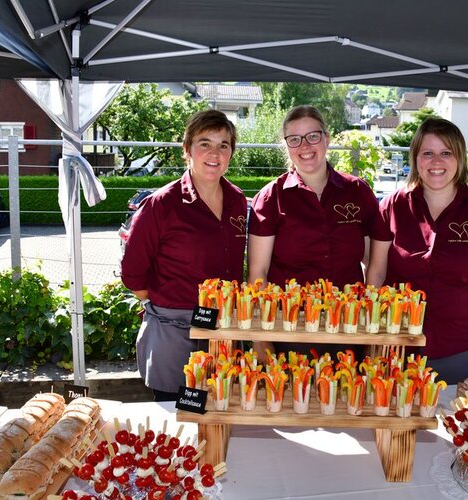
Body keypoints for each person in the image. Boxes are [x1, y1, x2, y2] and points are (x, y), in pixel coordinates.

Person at [366, 117, 468, 383]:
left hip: (466, 351)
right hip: (399, 349)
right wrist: (372, 339)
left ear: (460, 158)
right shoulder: (392, 206)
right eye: (428, 153)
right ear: (415, 158)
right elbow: (376, 275)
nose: (436, 162)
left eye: (446, 153)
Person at [120, 110, 247, 401]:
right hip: (175, 335)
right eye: (205, 143)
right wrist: (170, 306)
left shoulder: (237, 200)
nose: (214, 153)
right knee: (182, 415)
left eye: (223, 145)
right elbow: (133, 273)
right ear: (187, 150)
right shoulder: (161, 205)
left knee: (221, 410)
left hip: (224, 329)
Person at [248, 105, 379, 355]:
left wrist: (374, 330)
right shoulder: (270, 197)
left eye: (313, 136)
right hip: (290, 331)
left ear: (326, 138)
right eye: (294, 139)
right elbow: (258, 273)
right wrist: (260, 339)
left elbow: (373, 261)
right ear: (286, 146)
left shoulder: (358, 192)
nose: (305, 146)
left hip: (349, 330)